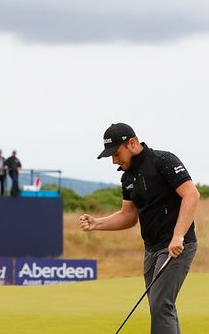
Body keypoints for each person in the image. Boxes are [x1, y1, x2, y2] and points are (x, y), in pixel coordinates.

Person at [79, 123, 200, 334]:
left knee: (161, 305)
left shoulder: (163, 161)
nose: (114, 160)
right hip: (152, 249)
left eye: (116, 154)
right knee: (160, 306)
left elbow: (191, 194)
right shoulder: (127, 178)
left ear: (132, 144)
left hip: (176, 246)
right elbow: (128, 216)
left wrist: (178, 235)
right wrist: (97, 223)